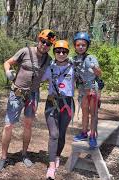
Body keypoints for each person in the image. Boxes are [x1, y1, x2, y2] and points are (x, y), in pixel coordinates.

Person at [0, 29, 56, 172]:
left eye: (48, 44)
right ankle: (3, 158)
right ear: (39, 39)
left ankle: (24, 154)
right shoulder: (25, 51)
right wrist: (8, 72)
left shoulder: (49, 60)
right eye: (43, 41)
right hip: (17, 93)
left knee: (28, 125)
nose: (45, 45)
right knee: (8, 125)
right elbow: (7, 62)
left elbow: (56, 72)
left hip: (33, 96)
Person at [41, 40, 75, 179]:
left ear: (68, 53)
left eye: (64, 51)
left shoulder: (74, 67)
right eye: (58, 51)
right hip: (52, 103)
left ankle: (57, 156)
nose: (61, 54)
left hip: (67, 103)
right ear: (54, 52)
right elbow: (37, 79)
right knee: (54, 134)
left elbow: (86, 80)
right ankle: (51, 166)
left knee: (61, 134)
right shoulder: (50, 67)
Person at [72, 32, 103, 149]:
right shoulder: (74, 59)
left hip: (93, 88)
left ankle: (93, 135)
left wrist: (93, 67)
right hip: (82, 89)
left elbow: (100, 73)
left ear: (87, 46)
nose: (80, 47)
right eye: (78, 45)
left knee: (93, 113)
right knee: (84, 111)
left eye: (83, 45)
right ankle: (84, 132)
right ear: (75, 46)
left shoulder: (91, 58)